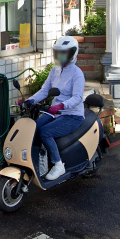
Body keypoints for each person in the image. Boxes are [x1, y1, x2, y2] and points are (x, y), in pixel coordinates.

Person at [24, 36, 86, 181]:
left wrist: (61, 105)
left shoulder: (77, 74)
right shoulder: (55, 70)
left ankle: (58, 165)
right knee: (33, 128)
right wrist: (30, 100)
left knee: (45, 132)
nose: (60, 56)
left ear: (72, 54)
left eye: (63, 53)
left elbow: (77, 98)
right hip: (55, 112)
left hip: (72, 115)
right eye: (58, 52)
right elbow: (45, 90)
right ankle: (41, 159)